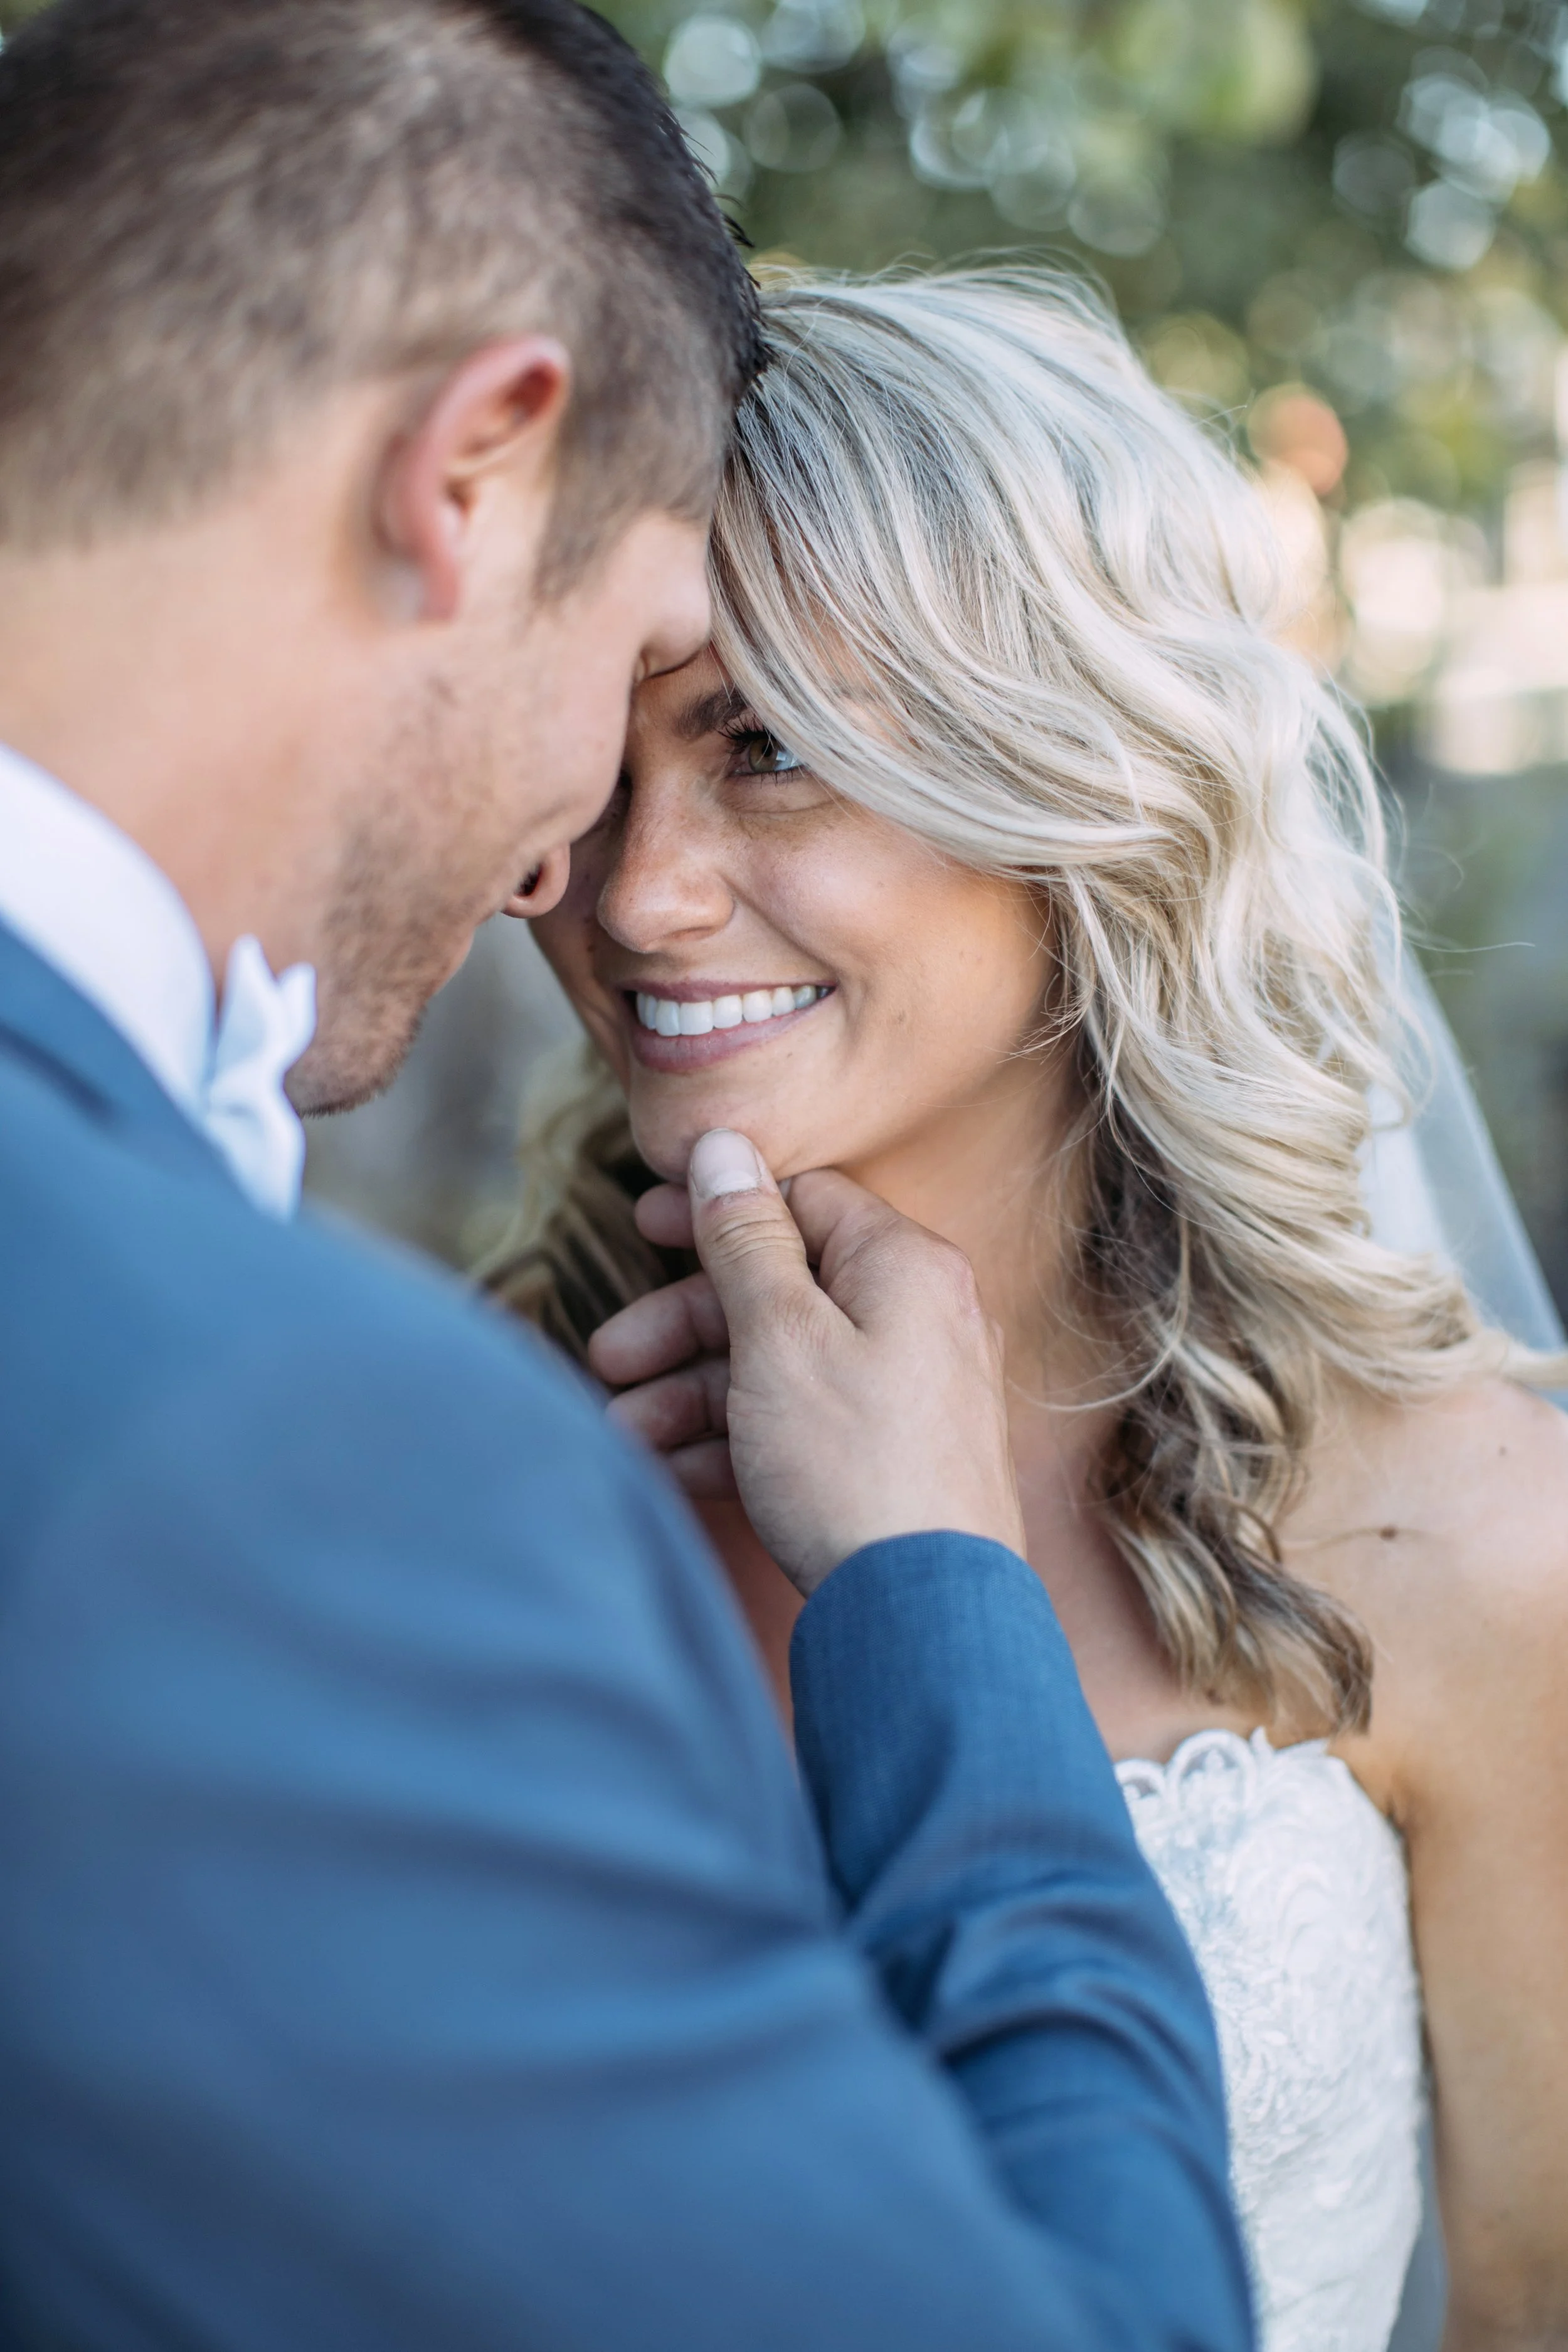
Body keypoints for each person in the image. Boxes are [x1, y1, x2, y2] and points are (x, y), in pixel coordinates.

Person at [0, 7, 1255, 2349]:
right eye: (652, 653)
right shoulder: (293, 1449)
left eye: (766, 743)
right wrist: (933, 1604)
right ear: (473, 472)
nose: (587, 868)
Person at [501, 268, 1568, 2352]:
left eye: (769, 748)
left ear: (1073, 794)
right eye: (591, 769)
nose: (637, 896)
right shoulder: (457, 1446)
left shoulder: (1471, 1540)